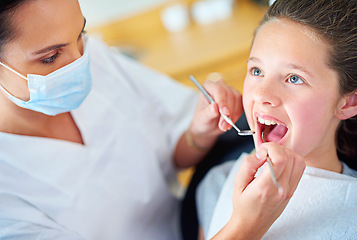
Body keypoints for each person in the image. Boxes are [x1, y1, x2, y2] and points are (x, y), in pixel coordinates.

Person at [0, 0, 244, 239]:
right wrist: (243, 226)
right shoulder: (6, 194)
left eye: (81, 34)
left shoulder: (96, 60)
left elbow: (170, 154)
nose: (80, 63)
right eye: (51, 57)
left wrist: (198, 133)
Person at [196, 0, 357, 239]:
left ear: (348, 103)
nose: (261, 94)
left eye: (294, 78)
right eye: (257, 71)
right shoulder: (217, 184)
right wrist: (245, 226)